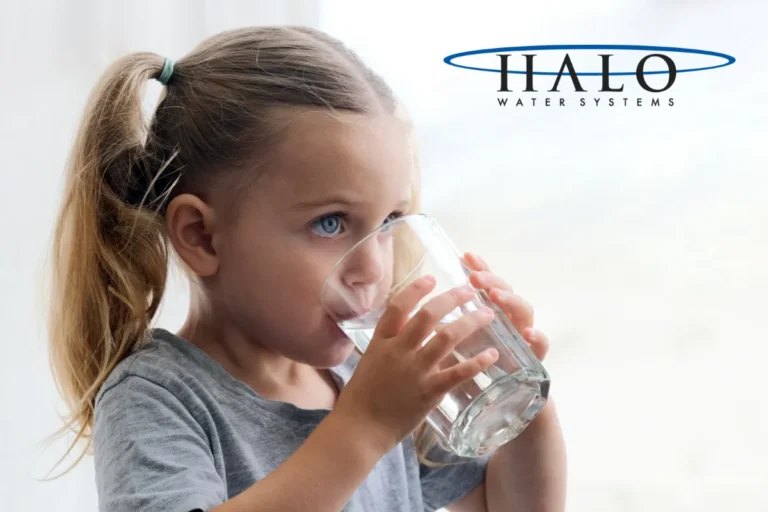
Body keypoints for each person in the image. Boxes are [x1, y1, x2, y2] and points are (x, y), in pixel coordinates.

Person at [47, 26, 566, 512]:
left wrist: (523, 405)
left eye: (389, 220)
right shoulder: (156, 398)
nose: (372, 268)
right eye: (330, 223)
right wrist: (365, 426)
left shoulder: (370, 373)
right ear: (201, 236)